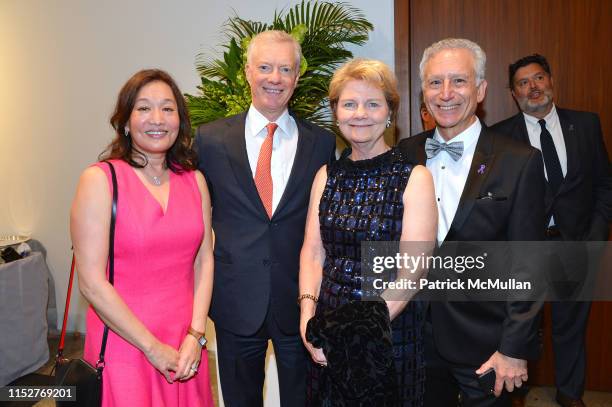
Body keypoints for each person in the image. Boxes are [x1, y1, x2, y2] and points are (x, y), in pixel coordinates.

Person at [398, 39, 546, 406]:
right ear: (423, 91)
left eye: (459, 81)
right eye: (435, 83)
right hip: (414, 338)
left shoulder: (519, 161)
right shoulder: (404, 154)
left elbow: (532, 263)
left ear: (480, 90)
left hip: (487, 345)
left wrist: (514, 347)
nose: (446, 94)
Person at [194, 30, 335, 406]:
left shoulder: (321, 142)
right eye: (265, 67)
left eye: (285, 69)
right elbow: (190, 217)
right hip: (235, 301)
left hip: (301, 304)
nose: (275, 78)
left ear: (296, 78)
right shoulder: (209, 140)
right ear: (247, 72)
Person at [71, 69, 214, 406]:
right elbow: (91, 282)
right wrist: (151, 347)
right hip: (126, 344)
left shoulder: (195, 181)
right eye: (144, 108)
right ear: (125, 121)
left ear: (180, 119)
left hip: (185, 346)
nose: (157, 119)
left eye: (167, 108)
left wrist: (197, 335)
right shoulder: (100, 180)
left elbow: (205, 260)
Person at [300, 58, 437, 406]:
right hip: (328, 329)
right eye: (349, 103)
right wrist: (308, 321)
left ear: (389, 112)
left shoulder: (414, 177)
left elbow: (414, 270)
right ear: (336, 112)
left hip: (388, 332)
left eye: (373, 103)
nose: (360, 113)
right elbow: (313, 253)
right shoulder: (325, 176)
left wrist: (358, 331)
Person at [490, 54, 612, 407]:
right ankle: (517, 394)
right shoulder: (500, 136)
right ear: (514, 94)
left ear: (551, 81)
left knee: (571, 326)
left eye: (539, 77)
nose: (533, 87)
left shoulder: (587, 124)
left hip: (575, 245)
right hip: (524, 251)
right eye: (523, 83)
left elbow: (605, 183)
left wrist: (596, 234)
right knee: (521, 325)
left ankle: (570, 394)